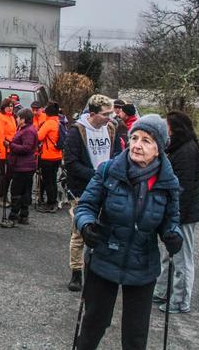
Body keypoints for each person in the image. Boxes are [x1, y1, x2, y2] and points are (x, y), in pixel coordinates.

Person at [73, 114, 182, 350]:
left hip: (142, 264)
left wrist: (173, 235)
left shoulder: (167, 181)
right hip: (104, 257)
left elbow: (171, 220)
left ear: (159, 148)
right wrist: (87, 224)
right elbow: (86, 205)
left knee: (135, 336)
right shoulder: (109, 170)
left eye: (146, 140)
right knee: (93, 326)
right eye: (134, 138)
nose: (137, 145)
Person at [63, 94, 120, 292]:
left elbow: (118, 155)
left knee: (105, 229)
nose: (110, 117)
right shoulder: (76, 132)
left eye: (111, 113)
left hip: (108, 188)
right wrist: (97, 175)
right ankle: (76, 273)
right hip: (82, 189)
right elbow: (71, 163)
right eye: (106, 114)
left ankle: (99, 270)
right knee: (80, 232)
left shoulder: (111, 129)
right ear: (93, 114)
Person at [153, 110, 199, 314]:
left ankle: (180, 300)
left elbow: (184, 188)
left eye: (168, 127)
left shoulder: (187, 152)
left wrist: (175, 218)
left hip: (183, 214)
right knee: (168, 255)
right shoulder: (178, 148)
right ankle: (163, 290)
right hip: (175, 212)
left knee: (182, 258)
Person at [1, 108, 38, 227]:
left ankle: (12, 217)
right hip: (26, 166)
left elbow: (26, 148)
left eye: (18, 117)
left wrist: (10, 145)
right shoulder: (26, 129)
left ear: (23, 119)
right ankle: (24, 215)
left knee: (16, 192)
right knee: (25, 191)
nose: (16, 119)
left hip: (22, 166)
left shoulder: (28, 131)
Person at [36, 101, 63, 213]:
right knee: (53, 180)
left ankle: (50, 203)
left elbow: (39, 137)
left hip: (48, 157)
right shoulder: (59, 122)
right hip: (58, 156)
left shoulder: (48, 123)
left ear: (47, 113)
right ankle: (54, 202)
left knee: (48, 181)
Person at [0, 99, 17, 208]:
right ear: (3, 107)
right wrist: (3, 154)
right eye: (8, 106)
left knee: (9, 175)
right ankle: (0, 197)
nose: (10, 108)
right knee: (3, 176)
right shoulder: (0, 117)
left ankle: (5, 196)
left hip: (10, 150)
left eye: (12, 106)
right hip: (1, 150)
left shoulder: (12, 117)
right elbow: (0, 137)